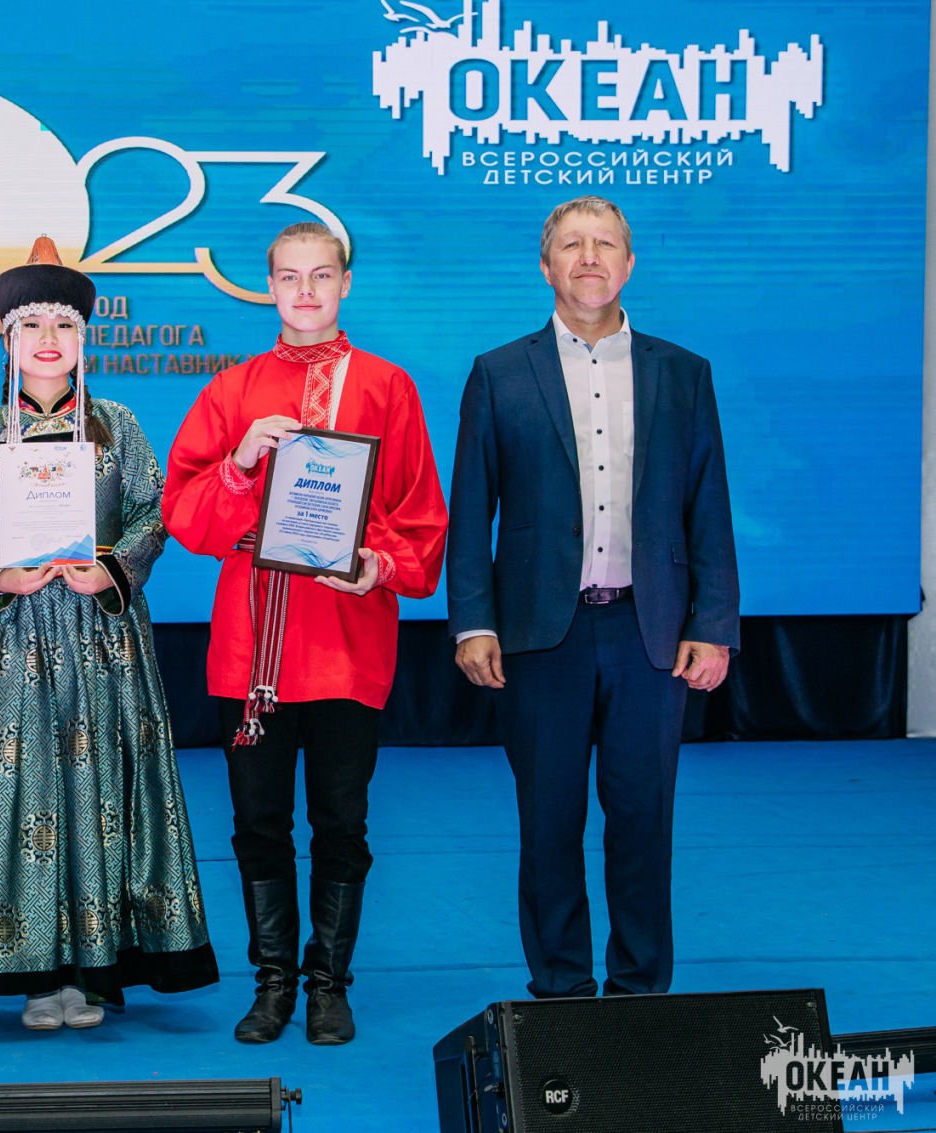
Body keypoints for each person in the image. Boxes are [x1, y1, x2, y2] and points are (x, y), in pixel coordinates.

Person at [163, 222, 447, 1045]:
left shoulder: (388, 386)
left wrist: (377, 563)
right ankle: (274, 982)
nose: (307, 291)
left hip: (347, 639)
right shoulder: (233, 390)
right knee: (257, 821)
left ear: (345, 283)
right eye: (290, 277)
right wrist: (240, 462)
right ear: (269, 286)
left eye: (322, 275)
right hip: (249, 643)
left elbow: (423, 519)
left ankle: (329, 982)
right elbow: (184, 514)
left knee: (341, 820)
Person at [447, 195, 738, 998]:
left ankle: (640, 992)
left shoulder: (683, 373)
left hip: (652, 633)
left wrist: (714, 623)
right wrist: (473, 621)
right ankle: (562, 993)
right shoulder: (499, 373)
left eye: (604, 244)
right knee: (548, 822)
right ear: (546, 266)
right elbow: (471, 510)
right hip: (542, 636)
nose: (588, 258)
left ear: (628, 263)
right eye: (571, 245)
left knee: (644, 819)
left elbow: (708, 505)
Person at [0, 236, 217, 1030]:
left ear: (85, 338)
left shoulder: (118, 425)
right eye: (31, 325)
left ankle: (96, 967)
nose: (48, 339)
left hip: (103, 637)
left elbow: (152, 513)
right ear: (7, 341)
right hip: (18, 638)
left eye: (64, 324)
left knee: (103, 790)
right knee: (23, 790)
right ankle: (36, 970)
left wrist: (114, 568)